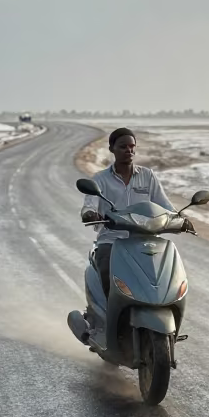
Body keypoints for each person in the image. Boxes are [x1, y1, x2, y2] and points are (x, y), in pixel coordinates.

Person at [81, 128, 191, 301]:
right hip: (111, 241)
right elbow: (90, 204)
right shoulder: (100, 179)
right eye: (123, 146)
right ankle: (111, 313)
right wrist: (90, 214)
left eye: (132, 146)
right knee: (107, 275)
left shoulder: (148, 176)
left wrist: (180, 219)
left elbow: (164, 205)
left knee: (169, 278)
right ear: (111, 149)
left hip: (146, 240)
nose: (129, 150)